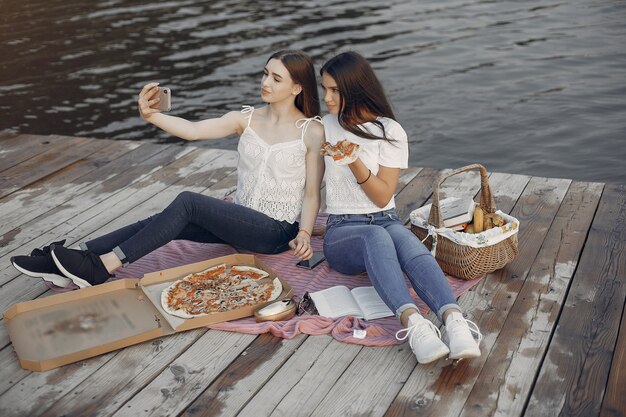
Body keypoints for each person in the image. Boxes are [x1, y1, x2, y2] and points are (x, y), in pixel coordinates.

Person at [11, 50, 325, 289]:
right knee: (161, 221)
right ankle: (77, 257)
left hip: (275, 233)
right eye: (265, 74)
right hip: (239, 222)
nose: (265, 82)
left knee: (189, 201)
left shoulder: (310, 131)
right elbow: (193, 130)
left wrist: (305, 232)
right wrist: (151, 116)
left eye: (276, 78)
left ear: (297, 88)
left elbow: (311, 194)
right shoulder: (246, 118)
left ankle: (104, 265)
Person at [319, 51, 481, 363]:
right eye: (324, 88)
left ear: (356, 88)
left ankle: (454, 321)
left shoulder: (389, 131)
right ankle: (415, 324)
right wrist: (303, 228)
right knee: (377, 237)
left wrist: (353, 161)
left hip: (386, 218)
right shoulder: (324, 126)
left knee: (404, 238)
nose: (326, 97)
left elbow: (382, 197)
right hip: (342, 229)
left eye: (334, 90)